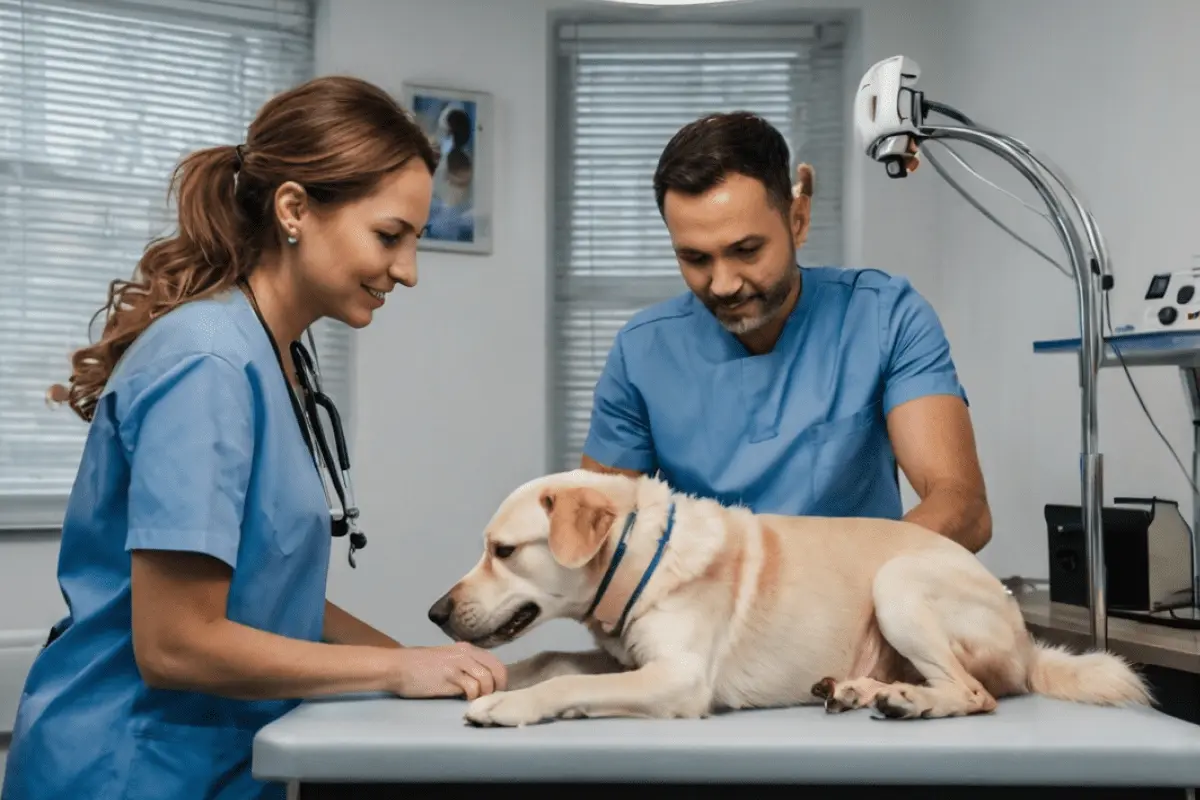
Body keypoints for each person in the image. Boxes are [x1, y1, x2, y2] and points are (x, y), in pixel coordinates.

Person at [1, 75, 507, 800]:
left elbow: (267, 592)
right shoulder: (207, 361)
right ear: (295, 208)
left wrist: (423, 663)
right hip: (126, 767)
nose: (408, 271)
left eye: (416, 240)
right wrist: (398, 671)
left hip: (213, 763)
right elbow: (177, 643)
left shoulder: (271, 355)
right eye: (389, 236)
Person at [580, 111, 992, 553]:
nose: (723, 284)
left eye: (747, 250)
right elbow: (591, 529)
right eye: (695, 259)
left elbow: (961, 507)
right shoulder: (642, 352)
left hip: (856, 604)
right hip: (706, 613)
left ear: (798, 219)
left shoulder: (884, 316)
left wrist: (825, 586)